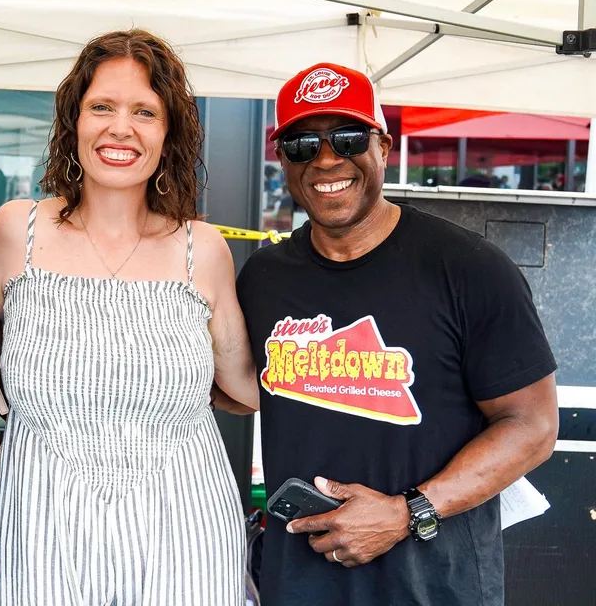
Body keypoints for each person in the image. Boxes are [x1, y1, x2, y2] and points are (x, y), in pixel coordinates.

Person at [236, 62, 559, 605]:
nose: (326, 159)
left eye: (348, 137)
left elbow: (532, 425)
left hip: (435, 586)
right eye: (301, 144)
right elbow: (236, 389)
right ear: (282, 159)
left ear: (383, 146)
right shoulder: (265, 277)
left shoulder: (469, 268)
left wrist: (407, 512)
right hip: (300, 584)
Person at [0, 29, 259, 605]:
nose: (120, 128)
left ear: (168, 132)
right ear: (72, 120)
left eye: (144, 112)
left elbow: (245, 389)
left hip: (187, 541)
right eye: (101, 106)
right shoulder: (15, 232)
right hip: (40, 536)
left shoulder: (200, 249)